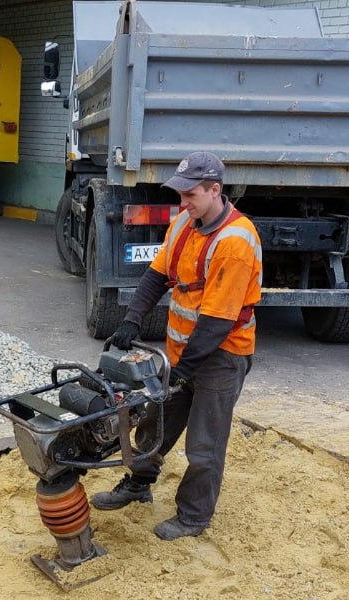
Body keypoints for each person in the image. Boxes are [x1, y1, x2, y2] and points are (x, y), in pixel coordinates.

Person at [92, 151, 263, 541]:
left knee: (204, 443)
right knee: (156, 422)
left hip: (222, 356)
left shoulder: (236, 242)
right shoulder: (186, 221)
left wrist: (181, 373)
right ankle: (138, 485)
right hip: (181, 354)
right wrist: (131, 320)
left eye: (190, 195)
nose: (182, 202)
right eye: (180, 194)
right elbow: (156, 276)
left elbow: (217, 321)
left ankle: (193, 516)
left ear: (214, 190)